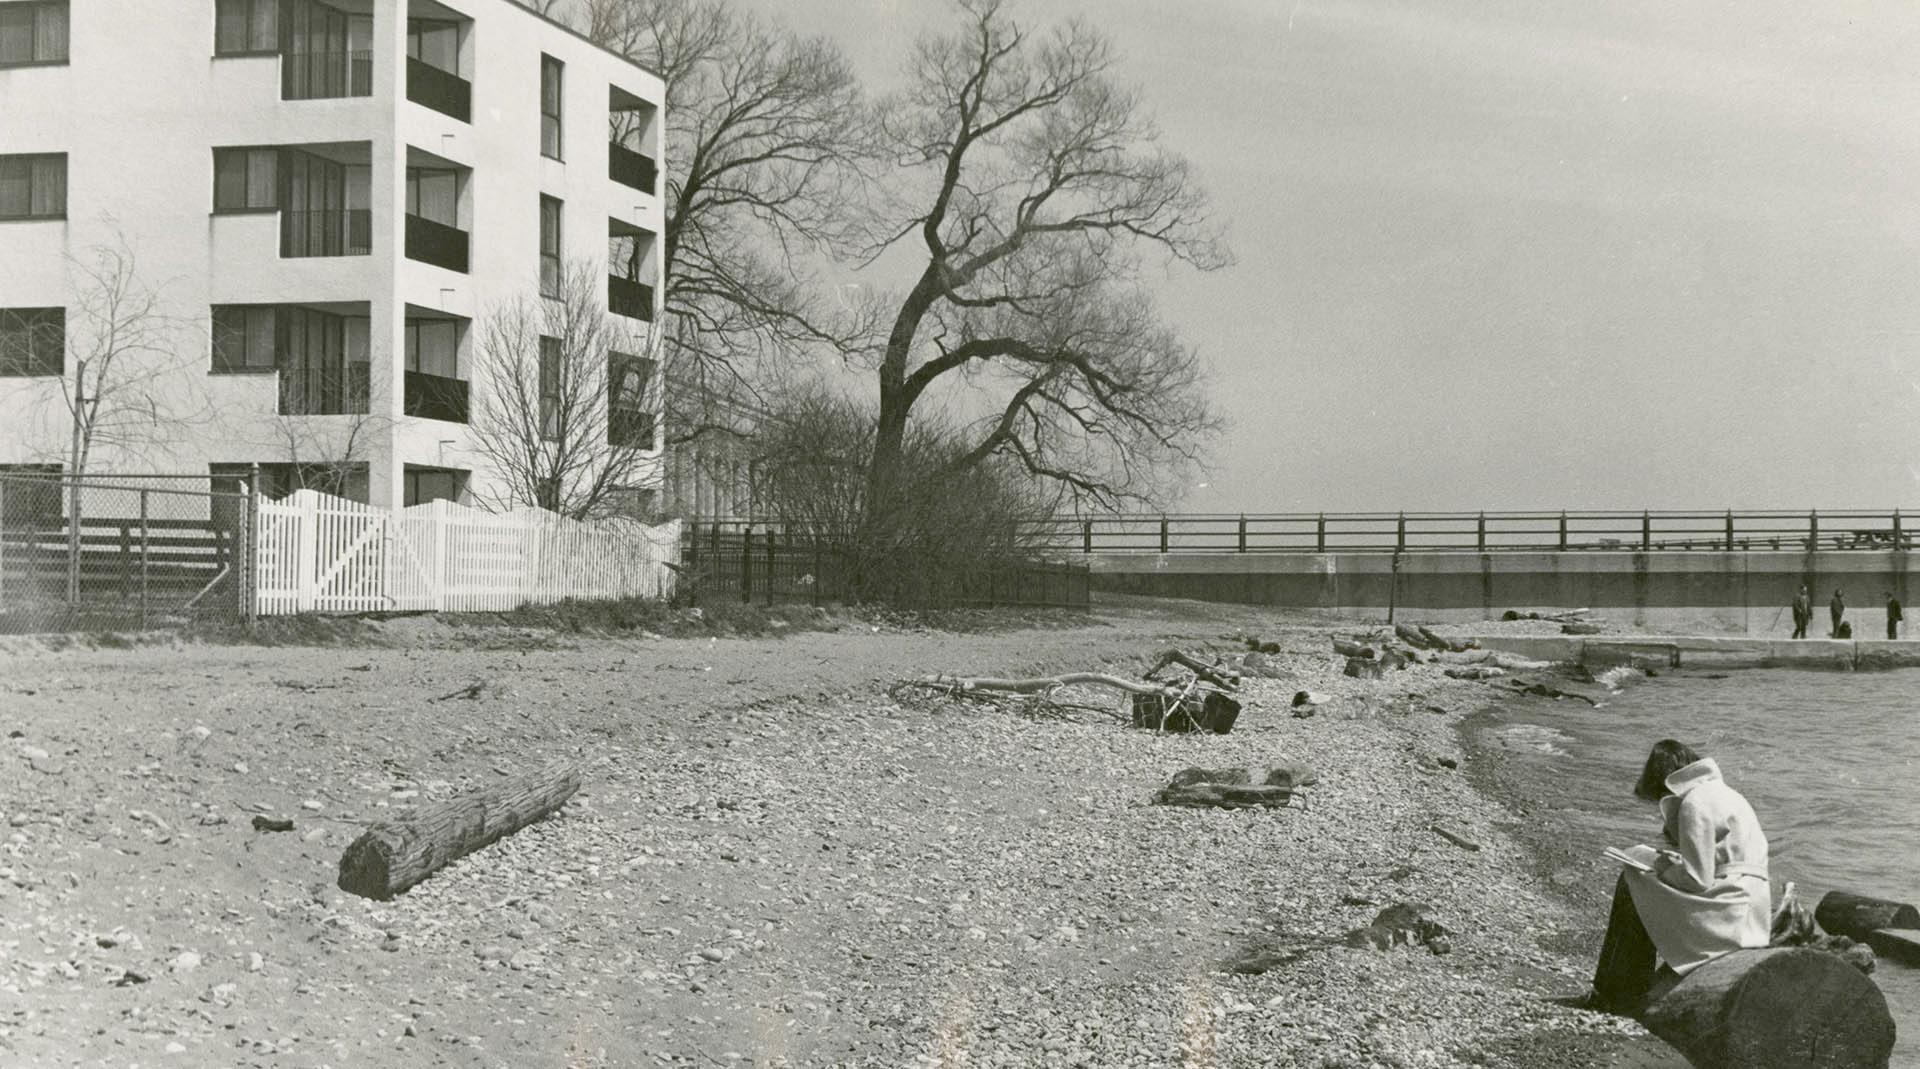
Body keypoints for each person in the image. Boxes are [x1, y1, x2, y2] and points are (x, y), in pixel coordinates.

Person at [1589, 740, 1771, 1013]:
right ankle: (1626, 985)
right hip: (1751, 908)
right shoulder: (1727, 794)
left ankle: (1616, 989)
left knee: (1633, 876)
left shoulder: (1694, 803)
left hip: (1729, 910)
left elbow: (1697, 880)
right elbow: (1723, 862)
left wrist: (1663, 868)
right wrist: (1677, 864)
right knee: (1643, 872)